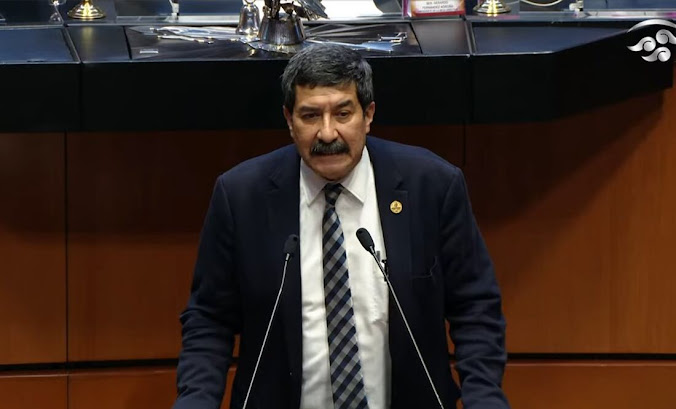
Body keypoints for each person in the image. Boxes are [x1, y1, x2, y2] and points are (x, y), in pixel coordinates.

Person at [174, 43, 509, 409]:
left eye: (343, 113)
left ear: (368, 115)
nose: (327, 133)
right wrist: (195, 401)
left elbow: (475, 306)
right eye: (310, 116)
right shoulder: (241, 196)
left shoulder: (431, 185)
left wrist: (484, 398)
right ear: (289, 120)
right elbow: (209, 319)